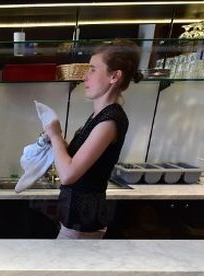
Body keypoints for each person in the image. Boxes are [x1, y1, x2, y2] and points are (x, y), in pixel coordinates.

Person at [44, 39, 142, 239]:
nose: (85, 76)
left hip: (83, 222)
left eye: (93, 70)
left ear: (114, 76)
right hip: (77, 220)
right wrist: (56, 140)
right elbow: (72, 158)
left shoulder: (109, 121)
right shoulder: (99, 116)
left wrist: (55, 136)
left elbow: (68, 174)